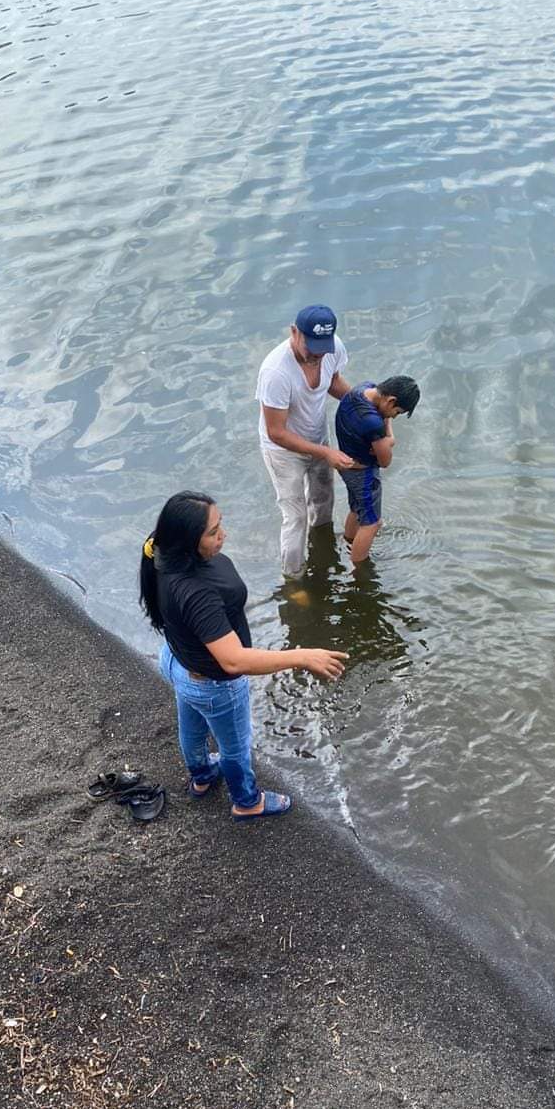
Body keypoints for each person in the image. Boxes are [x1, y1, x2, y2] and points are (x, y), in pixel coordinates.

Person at [139, 490, 348, 820]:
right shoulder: (197, 592)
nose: (223, 535)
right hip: (213, 685)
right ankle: (247, 802)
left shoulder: (160, 551)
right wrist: (302, 656)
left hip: (177, 661)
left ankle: (202, 777)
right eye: (212, 532)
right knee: (234, 747)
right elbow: (233, 660)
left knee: (191, 728)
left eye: (220, 524)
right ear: (187, 541)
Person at [256, 305, 357, 579]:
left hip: (317, 437)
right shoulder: (276, 372)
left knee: (324, 501)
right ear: (294, 332)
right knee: (295, 516)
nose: (317, 354)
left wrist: (364, 404)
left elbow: (333, 382)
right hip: (282, 451)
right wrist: (326, 452)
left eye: (323, 347)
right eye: (311, 346)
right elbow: (276, 431)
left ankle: (323, 552)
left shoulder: (332, 348)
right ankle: (293, 578)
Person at [335, 376, 420, 564]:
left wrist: (385, 429)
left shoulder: (361, 389)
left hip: (347, 465)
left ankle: (349, 543)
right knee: (372, 524)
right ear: (391, 401)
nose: (392, 417)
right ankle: (358, 569)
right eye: (396, 412)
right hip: (363, 474)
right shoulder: (372, 423)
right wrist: (390, 439)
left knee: (356, 510)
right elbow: (385, 461)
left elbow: (381, 423)